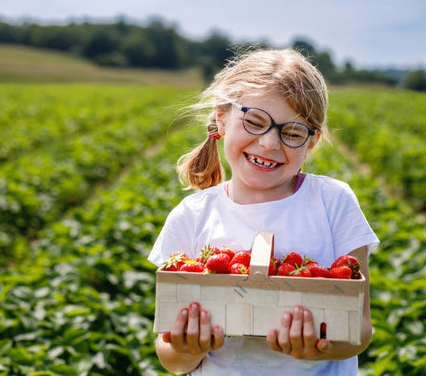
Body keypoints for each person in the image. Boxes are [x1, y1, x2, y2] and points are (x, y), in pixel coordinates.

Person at [148, 48, 379, 375]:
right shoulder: (191, 216)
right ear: (222, 117)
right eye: (255, 121)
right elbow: (170, 356)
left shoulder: (333, 203)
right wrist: (187, 347)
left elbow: (359, 329)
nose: (270, 143)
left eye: (293, 132)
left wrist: (318, 347)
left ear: (311, 143)